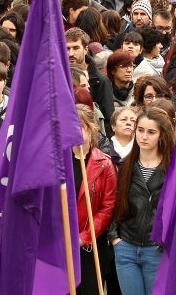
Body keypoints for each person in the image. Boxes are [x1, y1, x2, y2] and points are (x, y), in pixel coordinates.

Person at [107, 108, 174, 295]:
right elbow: (115, 204)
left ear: (161, 136)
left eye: (151, 132)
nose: (144, 136)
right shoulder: (126, 165)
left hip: (156, 250)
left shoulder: (172, 169)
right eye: (140, 130)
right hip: (126, 248)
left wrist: (167, 242)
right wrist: (114, 238)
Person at [73, 104, 116, 295]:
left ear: (91, 128)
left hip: (90, 246)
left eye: (79, 126)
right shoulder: (58, 162)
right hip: (61, 242)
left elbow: (108, 209)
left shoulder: (104, 164)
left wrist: (84, 238)